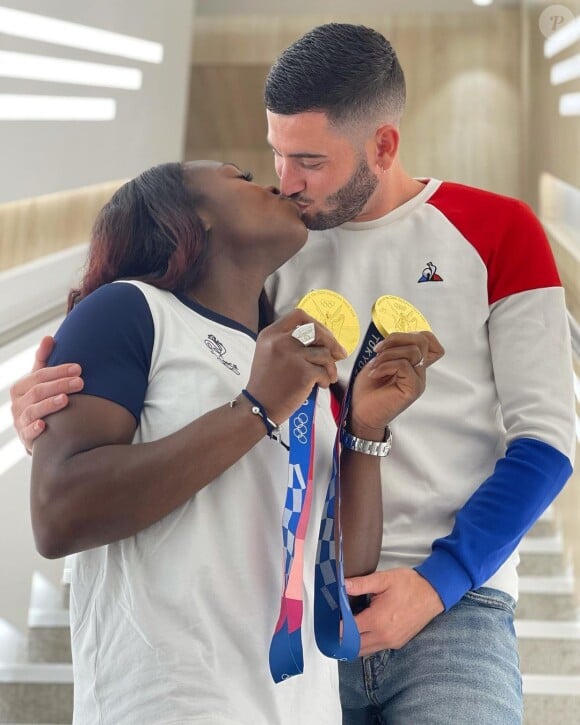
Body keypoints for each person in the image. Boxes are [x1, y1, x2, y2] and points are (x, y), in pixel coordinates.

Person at [10, 22, 576, 725]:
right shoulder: (274, 254)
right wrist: (56, 409)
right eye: (275, 155)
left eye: (308, 160)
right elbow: (190, 380)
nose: (286, 183)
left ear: (384, 146)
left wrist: (438, 583)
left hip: (452, 606)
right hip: (294, 598)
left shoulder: (499, 231)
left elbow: (548, 442)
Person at [22, 158, 441, 725]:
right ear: (191, 215)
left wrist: (364, 430)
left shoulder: (290, 363)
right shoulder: (128, 310)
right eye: (239, 178)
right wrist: (256, 408)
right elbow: (58, 513)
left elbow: (341, 572)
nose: (272, 182)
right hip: (168, 703)